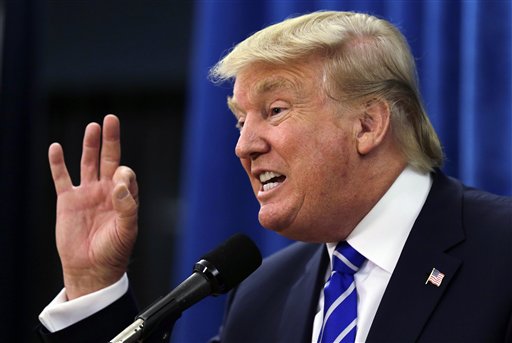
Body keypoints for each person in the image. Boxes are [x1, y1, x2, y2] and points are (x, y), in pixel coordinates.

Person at [38, 11, 512, 343]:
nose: (244, 146)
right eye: (240, 121)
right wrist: (93, 282)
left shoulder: (501, 251)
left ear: (368, 124)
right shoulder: (262, 296)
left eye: (275, 110)